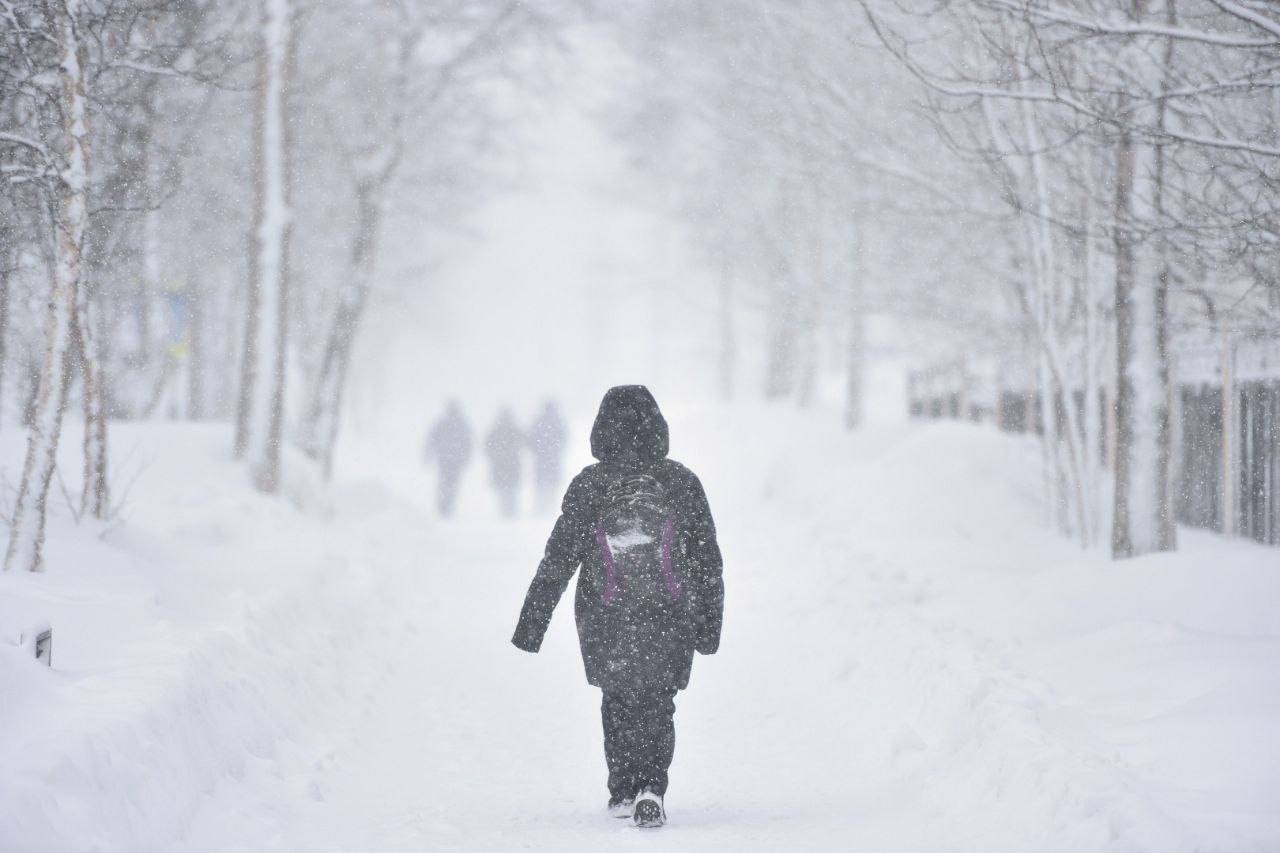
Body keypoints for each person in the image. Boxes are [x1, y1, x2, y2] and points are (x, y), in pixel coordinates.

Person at [511, 385, 724, 829]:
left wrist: (531, 625)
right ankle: (652, 785)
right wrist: (709, 626)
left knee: (619, 697)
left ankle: (623, 788)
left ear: (601, 429)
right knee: (658, 700)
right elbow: (707, 560)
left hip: (606, 615)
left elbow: (559, 559)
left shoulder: (590, 485)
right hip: (669, 612)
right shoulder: (680, 482)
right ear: (658, 427)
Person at [423, 400, 472, 517]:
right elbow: (468, 443)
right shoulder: (461, 425)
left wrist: (428, 454)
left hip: (445, 458)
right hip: (454, 459)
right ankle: (447, 504)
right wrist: (466, 457)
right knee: (451, 483)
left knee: (444, 482)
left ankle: (444, 505)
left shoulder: (442, 424)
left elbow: (432, 439)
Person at [529, 399, 568, 513]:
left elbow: (531, 439)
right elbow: (564, 438)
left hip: (542, 458)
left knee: (541, 483)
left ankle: (541, 506)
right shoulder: (557, 421)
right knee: (551, 484)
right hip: (552, 458)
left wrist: (537, 450)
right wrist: (557, 449)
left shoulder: (539, 421)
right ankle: (549, 506)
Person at [485, 408, 525, 517]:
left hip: (501, 465)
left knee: (505, 488)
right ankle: (510, 510)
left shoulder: (497, 430)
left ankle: (506, 510)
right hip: (511, 464)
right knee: (510, 488)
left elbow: (487, 445)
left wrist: (495, 455)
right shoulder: (514, 429)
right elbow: (524, 442)